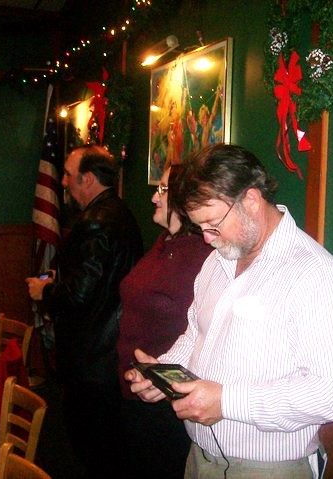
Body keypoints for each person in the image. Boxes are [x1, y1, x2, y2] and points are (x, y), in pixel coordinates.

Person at [125, 144, 333, 478]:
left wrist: (227, 402)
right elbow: (196, 334)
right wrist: (162, 374)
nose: (207, 239)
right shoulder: (217, 260)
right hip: (199, 456)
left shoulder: (315, 274)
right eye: (200, 227)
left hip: (267, 468)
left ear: (250, 199)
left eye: (213, 224)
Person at [26, 144, 143, 478]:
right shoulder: (118, 213)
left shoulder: (97, 221)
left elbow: (79, 294)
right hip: (106, 353)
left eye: (68, 174)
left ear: (88, 179)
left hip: (92, 358)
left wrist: (45, 290)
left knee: (93, 448)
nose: (63, 182)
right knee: (104, 447)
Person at [118, 164, 212, 478]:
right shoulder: (165, 242)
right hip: (138, 388)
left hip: (166, 401)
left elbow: (202, 331)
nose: (154, 197)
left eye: (163, 189)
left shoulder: (202, 255)